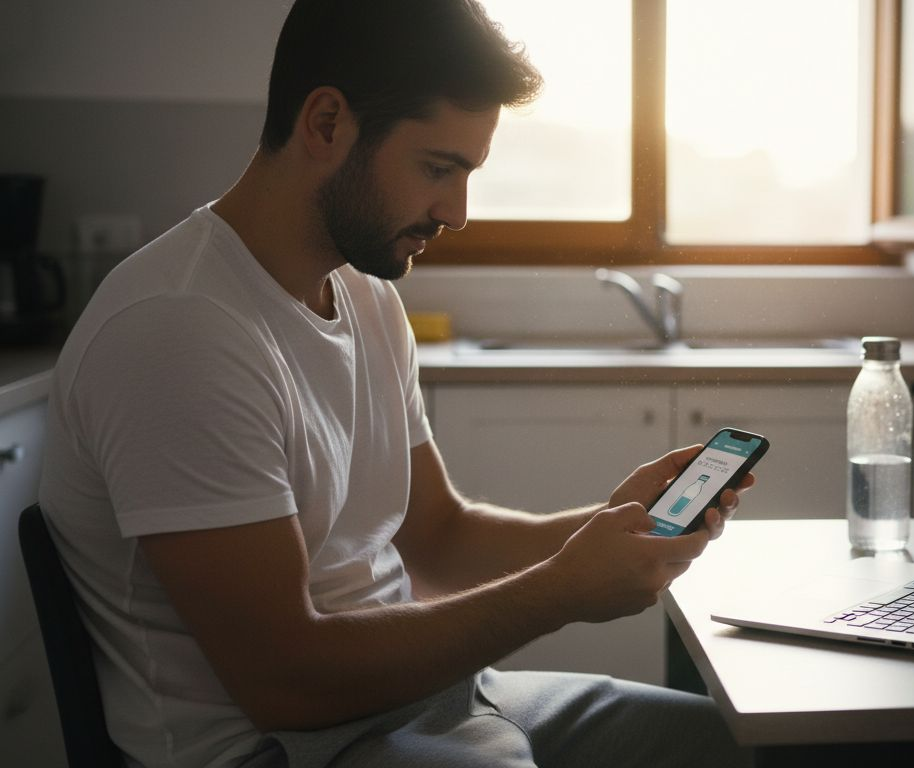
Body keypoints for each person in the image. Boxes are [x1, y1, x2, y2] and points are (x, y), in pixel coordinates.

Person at [38, 1, 753, 766]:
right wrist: (558, 592)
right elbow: (288, 681)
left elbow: (438, 537)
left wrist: (610, 524)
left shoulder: (368, 295)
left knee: (730, 745)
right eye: (437, 169)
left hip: (434, 702)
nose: (458, 212)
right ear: (325, 124)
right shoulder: (177, 329)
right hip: (285, 748)